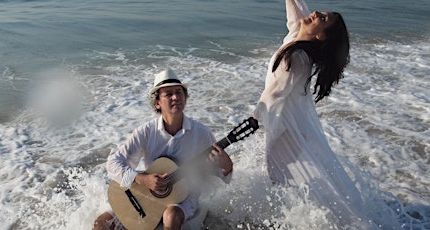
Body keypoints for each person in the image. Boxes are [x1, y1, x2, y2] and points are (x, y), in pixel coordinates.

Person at [253, 0, 379, 228]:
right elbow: (296, 16)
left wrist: (253, 119)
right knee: (293, 181)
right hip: (285, 125)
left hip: (285, 131)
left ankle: (317, 222)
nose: (315, 13)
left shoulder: (297, 58)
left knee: (287, 180)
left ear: (320, 36)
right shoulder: (297, 38)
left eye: (322, 18)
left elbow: (273, 95)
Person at [93, 69, 233, 230]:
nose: (176, 97)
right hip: (144, 194)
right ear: (157, 103)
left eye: (179, 92)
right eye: (169, 94)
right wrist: (142, 179)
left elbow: (219, 174)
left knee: (171, 215)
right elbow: (112, 163)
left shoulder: (201, 133)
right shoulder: (146, 131)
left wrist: (227, 166)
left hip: (183, 199)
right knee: (100, 224)